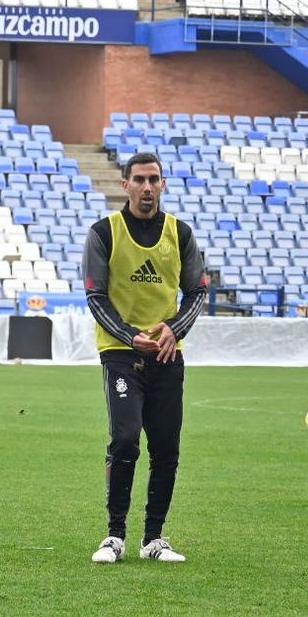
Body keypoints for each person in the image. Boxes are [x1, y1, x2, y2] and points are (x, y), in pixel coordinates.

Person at [82, 151, 207, 564]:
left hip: (167, 354)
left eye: (154, 179)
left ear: (163, 184)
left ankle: (153, 539)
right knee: (124, 439)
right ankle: (114, 535)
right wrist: (130, 336)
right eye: (139, 180)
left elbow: (197, 292)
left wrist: (174, 329)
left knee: (166, 448)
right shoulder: (104, 233)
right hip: (121, 352)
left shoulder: (180, 233)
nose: (147, 187)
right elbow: (95, 296)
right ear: (126, 185)